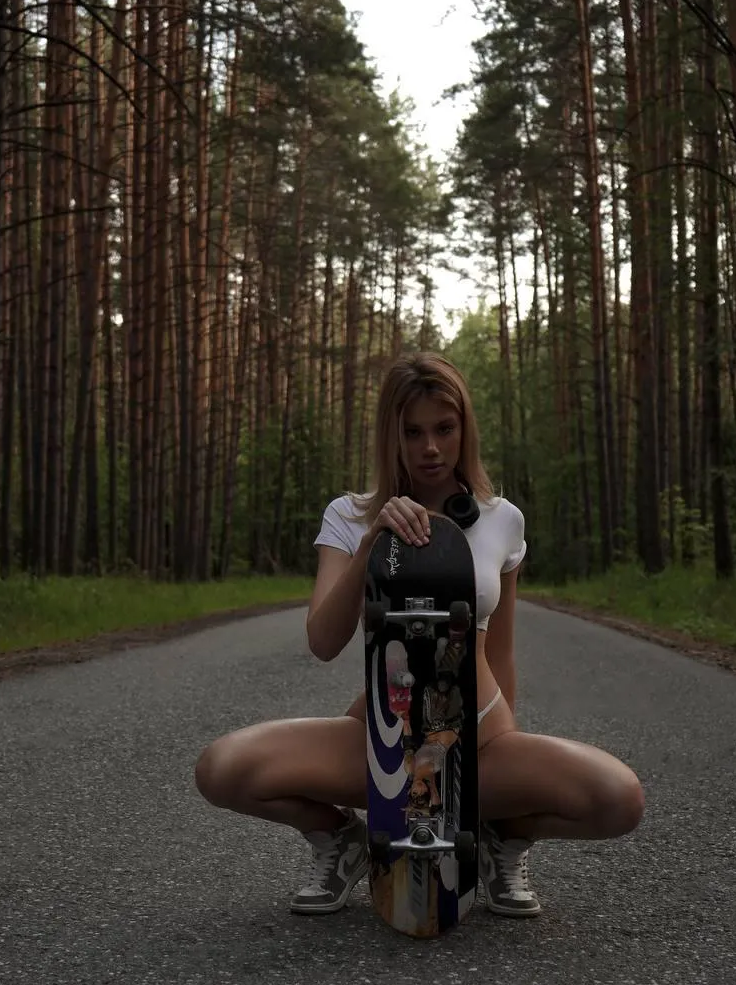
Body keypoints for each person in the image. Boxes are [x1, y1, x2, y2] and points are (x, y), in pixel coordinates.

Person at [195, 352, 644, 917]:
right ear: (391, 434)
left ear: (465, 430)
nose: (430, 447)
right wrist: (370, 545)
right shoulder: (350, 515)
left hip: (479, 742)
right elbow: (323, 641)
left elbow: (500, 650)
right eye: (412, 432)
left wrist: (509, 784)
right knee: (222, 768)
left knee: (618, 798)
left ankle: (500, 843)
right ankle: (343, 842)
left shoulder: (501, 519)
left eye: (444, 429)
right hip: (381, 742)